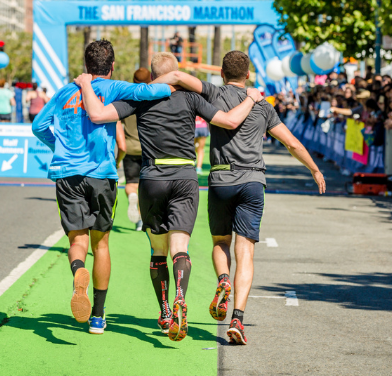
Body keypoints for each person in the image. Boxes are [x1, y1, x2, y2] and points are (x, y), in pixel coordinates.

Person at [76, 51, 263, 342]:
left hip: (151, 179)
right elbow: (228, 121)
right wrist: (252, 98)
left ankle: (165, 312)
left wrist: (86, 84)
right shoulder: (191, 98)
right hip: (186, 179)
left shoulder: (140, 97)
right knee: (180, 249)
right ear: (177, 74)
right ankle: (180, 297)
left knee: (157, 251)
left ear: (153, 76)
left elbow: (97, 114)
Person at [153, 51, 326, 344]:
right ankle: (238, 320)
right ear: (248, 75)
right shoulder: (263, 105)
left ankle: (223, 281)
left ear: (222, 73)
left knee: (221, 242)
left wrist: (151, 83)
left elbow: (180, 77)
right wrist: (314, 169)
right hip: (253, 181)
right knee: (245, 252)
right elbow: (291, 143)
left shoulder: (213, 93)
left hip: (221, 178)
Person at [32, 39, 173, 335]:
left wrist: (59, 146)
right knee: (102, 244)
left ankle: (77, 271)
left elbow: (38, 126)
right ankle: (97, 317)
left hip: (67, 175)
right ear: (110, 67)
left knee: (77, 242)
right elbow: (151, 90)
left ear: (85, 66)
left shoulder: (64, 92)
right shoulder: (112, 87)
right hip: (102, 174)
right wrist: (176, 81)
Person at [121, 68, 151, 231]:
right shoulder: (153, 100)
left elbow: (119, 123)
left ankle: (132, 199)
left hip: (129, 148)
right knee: (145, 187)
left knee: (131, 183)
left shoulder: (127, 100)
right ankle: (142, 220)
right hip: (148, 149)